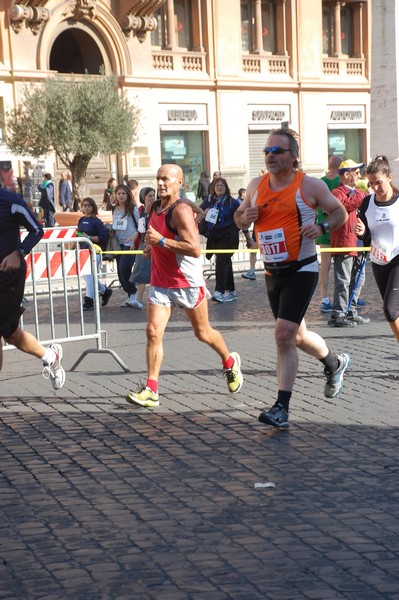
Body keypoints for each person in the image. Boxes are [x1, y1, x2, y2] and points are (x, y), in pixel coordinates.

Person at [234, 128, 350, 429]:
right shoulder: (255, 185)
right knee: (297, 336)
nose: (270, 156)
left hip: (302, 269)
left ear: (293, 156)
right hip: (273, 271)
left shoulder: (308, 186)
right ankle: (334, 363)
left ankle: (281, 408)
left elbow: (339, 213)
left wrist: (322, 227)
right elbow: (238, 216)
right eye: (267, 151)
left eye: (278, 151)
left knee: (283, 335)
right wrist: (245, 219)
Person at [125, 163, 243, 408]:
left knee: (202, 333)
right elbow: (157, 237)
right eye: (158, 178)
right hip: (160, 281)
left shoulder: (182, 210)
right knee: (153, 331)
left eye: (166, 179)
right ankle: (152, 389)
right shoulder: (154, 207)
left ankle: (229, 362)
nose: (160, 183)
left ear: (180, 183)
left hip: (186, 281)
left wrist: (163, 241)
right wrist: (152, 246)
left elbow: (194, 248)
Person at [0, 186, 65, 390]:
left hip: (7, 277)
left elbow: (37, 230)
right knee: (11, 335)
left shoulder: (11, 202)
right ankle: (50, 356)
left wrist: (18, 253)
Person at [356, 155, 399, 347]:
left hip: (398, 260)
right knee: (395, 312)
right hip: (379, 262)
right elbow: (366, 236)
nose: (375, 188)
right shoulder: (367, 203)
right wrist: (363, 232)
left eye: (379, 182)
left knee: (390, 310)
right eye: (371, 183)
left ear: (389, 177)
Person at [327, 159, 370, 327]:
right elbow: (345, 206)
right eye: (356, 172)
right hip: (344, 242)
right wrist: (361, 194)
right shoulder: (336, 193)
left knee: (359, 279)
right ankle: (338, 314)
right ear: (346, 174)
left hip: (359, 241)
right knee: (343, 280)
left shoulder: (358, 192)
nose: (360, 175)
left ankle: (350, 311)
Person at [200, 177, 241, 302]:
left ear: (226, 188)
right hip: (214, 236)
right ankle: (232, 291)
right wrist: (204, 213)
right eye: (217, 185)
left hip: (228, 236)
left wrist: (248, 237)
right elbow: (199, 210)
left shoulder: (232, 202)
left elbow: (240, 217)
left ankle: (219, 291)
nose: (219, 187)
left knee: (221, 261)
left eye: (222, 185)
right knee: (225, 262)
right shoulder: (209, 201)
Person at [76, 197, 113, 311]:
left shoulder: (96, 221)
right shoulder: (81, 220)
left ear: (93, 207)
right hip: (83, 252)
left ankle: (89, 300)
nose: (87, 207)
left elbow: (103, 237)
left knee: (89, 275)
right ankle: (105, 291)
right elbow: (78, 233)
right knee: (88, 276)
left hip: (95, 251)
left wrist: (89, 238)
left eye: (89, 205)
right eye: (85, 205)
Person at [317, 155, 342, 312]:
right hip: (339, 229)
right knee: (344, 266)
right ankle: (345, 297)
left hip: (324, 228)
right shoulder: (342, 182)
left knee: (324, 265)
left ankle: (324, 298)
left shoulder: (320, 183)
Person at [128, 186, 157, 310]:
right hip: (143, 242)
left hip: (154, 242)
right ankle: (139, 299)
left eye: (153, 195)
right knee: (141, 269)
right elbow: (139, 227)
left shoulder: (157, 209)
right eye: (149, 195)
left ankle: (144, 299)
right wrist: (135, 239)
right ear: (143, 198)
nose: (152, 198)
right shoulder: (140, 210)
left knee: (151, 271)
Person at [112, 183, 139, 307]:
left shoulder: (133, 209)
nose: (121, 196)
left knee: (124, 268)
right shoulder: (114, 209)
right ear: (115, 196)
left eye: (123, 193)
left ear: (128, 195)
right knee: (120, 273)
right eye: (119, 194)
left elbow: (141, 226)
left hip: (130, 244)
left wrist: (135, 236)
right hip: (118, 244)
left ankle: (134, 292)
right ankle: (131, 297)